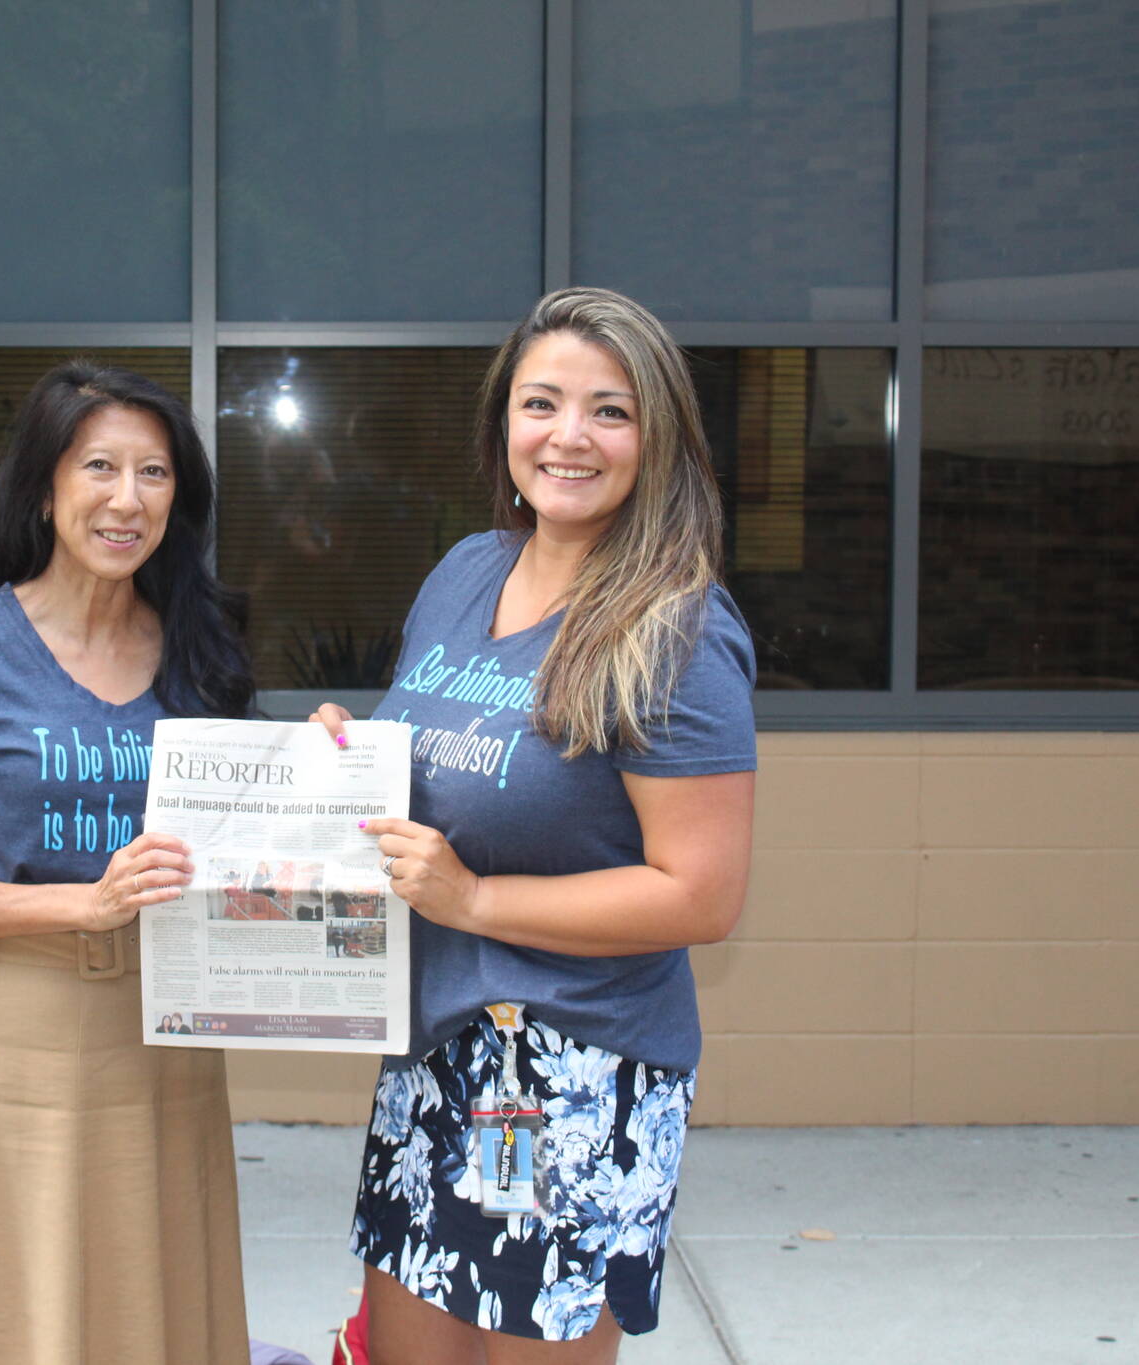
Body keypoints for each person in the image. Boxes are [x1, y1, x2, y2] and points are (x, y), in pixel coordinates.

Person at [315, 287, 757, 1364]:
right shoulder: (465, 572)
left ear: (657, 437)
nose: (568, 436)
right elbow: (428, 772)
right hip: (432, 1048)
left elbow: (697, 894)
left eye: (608, 411)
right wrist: (338, 760)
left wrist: (473, 899)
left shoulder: (674, 626)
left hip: (574, 1073)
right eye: (540, 403)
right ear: (501, 423)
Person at [0, 360, 256, 1365]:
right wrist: (85, 906)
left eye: (154, 474)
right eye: (99, 468)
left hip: (156, 1044)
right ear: (43, 487)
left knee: (139, 1310)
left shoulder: (201, 657)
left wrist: (330, 763)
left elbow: (250, 835)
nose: (127, 499)